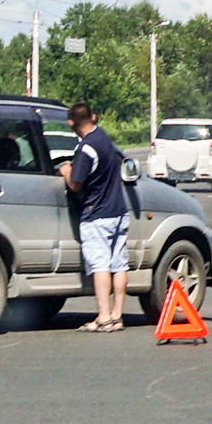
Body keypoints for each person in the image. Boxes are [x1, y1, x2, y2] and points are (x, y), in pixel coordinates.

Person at [58, 101, 128, 332]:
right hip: (118, 210)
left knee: (100, 265)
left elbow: (76, 184)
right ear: (93, 117)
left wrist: (67, 170)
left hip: (97, 214)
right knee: (119, 265)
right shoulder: (104, 138)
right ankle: (117, 315)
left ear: (71, 123)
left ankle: (103, 317)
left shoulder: (86, 148)